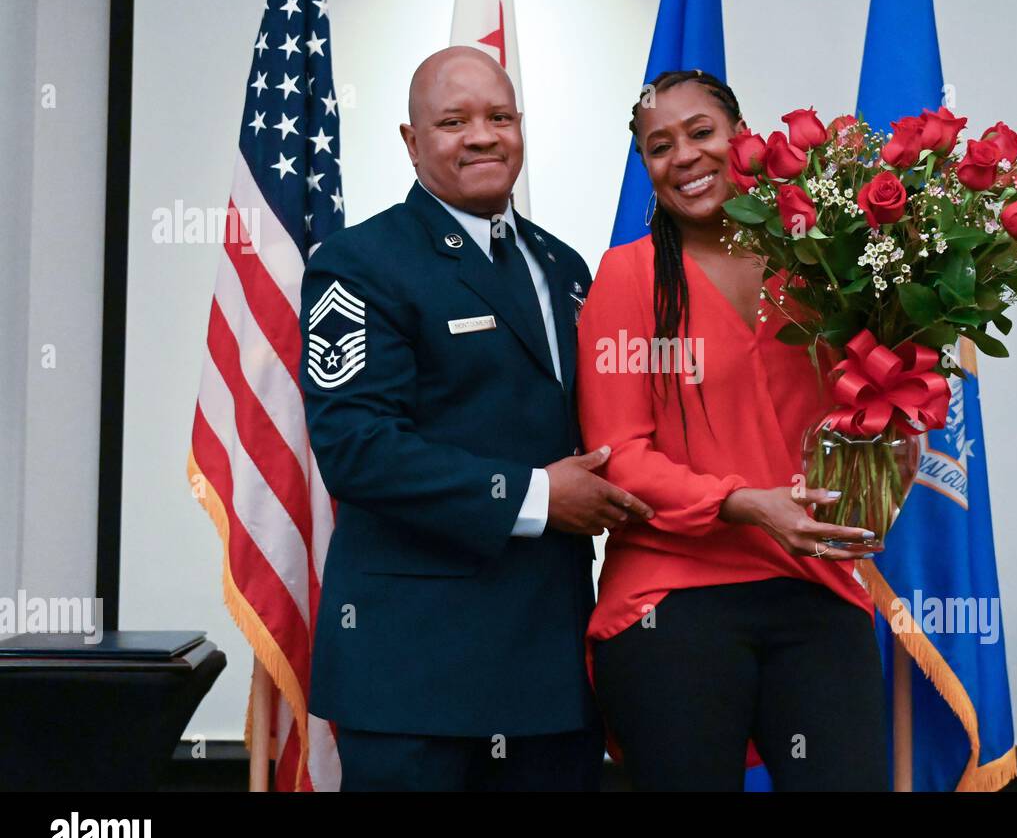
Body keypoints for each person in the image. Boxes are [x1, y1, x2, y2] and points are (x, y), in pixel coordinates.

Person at [300, 46, 652, 791]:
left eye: (499, 116)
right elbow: (356, 447)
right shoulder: (359, 263)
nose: (482, 135)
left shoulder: (565, 267)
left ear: (521, 127)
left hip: (549, 673)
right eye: (454, 121)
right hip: (414, 676)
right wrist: (537, 497)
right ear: (411, 141)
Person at [577, 70, 889, 791]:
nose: (682, 155)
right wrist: (745, 502)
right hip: (671, 595)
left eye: (700, 132)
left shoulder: (824, 264)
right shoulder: (626, 279)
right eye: (659, 146)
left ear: (743, 137)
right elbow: (618, 458)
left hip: (812, 581)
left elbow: (868, 407)